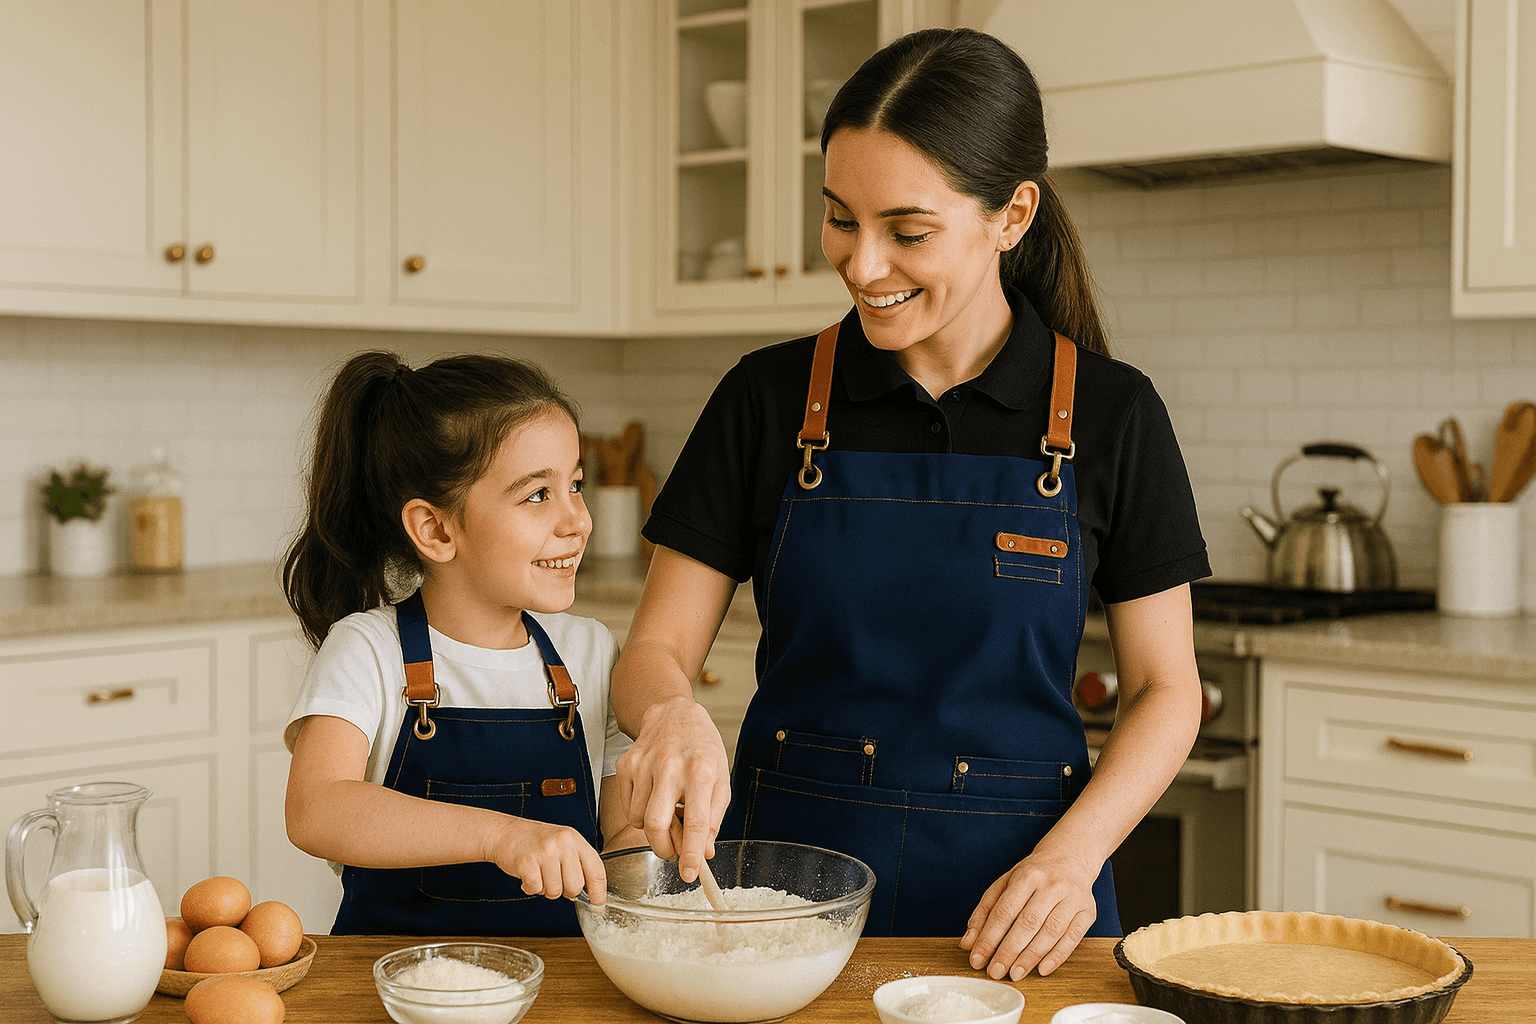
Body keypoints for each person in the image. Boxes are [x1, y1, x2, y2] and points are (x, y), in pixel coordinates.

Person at [611, 27, 1209, 981]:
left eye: (908, 231)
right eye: (840, 218)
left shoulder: (1112, 411)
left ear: (1013, 216)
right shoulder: (765, 400)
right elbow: (653, 653)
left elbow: (1166, 690)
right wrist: (669, 714)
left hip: (1024, 911)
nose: (862, 264)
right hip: (784, 909)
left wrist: (1074, 856)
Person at [281, 351, 642, 936]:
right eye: (536, 495)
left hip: (560, 983)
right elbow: (315, 808)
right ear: (436, 529)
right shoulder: (368, 650)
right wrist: (501, 835)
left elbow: (620, 840)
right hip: (398, 985)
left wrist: (653, 841)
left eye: (575, 485)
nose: (578, 520)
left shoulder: (590, 652)